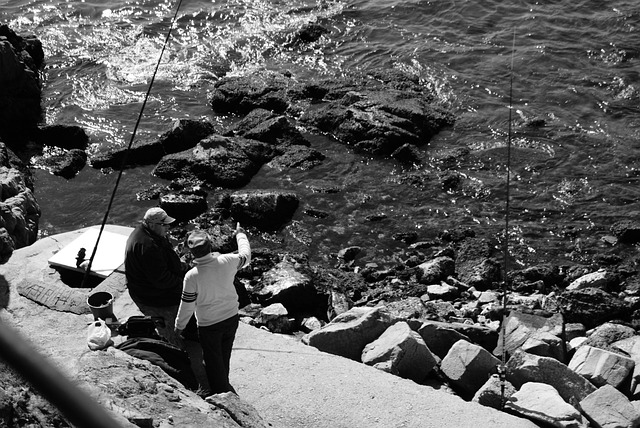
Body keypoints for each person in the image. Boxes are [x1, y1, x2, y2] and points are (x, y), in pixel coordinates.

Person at [174, 223, 251, 395]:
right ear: (211, 246)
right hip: (231, 318)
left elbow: (187, 305)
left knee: (212, 358)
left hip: (209, 325)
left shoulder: (191, 276)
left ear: (192, 252)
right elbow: (246, 255)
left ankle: (221, 392)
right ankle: (224, 382)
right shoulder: (228, 261)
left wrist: (179, 326)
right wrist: (240, 235)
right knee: (225, 353)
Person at [124, 207, 185, 307]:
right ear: (152, 225)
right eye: (164, 224)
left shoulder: (146, 232)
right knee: (194, 291)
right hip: (149, 292)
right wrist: (183, 283)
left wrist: (183, 267)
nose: (168, 227)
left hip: (149, 282)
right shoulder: (148, 247)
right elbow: (162, 280)